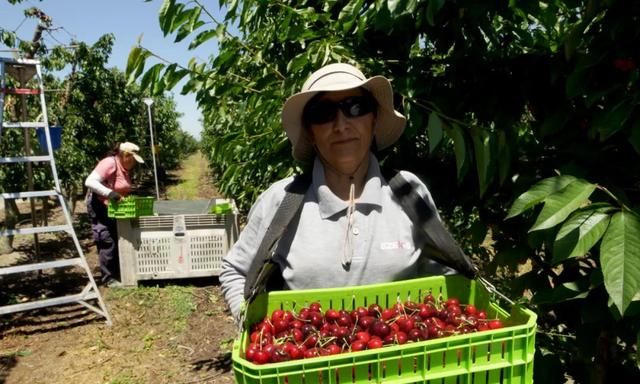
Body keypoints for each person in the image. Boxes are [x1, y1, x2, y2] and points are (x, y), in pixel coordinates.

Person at [219, 63, 454, 322]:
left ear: (374, 119)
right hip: (305, 360)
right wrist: (251, 327)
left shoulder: (408, 192)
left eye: (356, 107)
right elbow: (236, 270)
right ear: (311, 132)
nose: (341, 125)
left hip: (400, 360)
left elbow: (445, 275)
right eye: (323, 113)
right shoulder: (281, 201)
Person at [85, 142, 144, 287]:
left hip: (112, 207)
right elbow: (90, 182)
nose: (133, 163)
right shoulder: (109, 163)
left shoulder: (124, 168)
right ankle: (108, 278)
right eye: (132, 159)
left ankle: (118, 270)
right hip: (100, 205)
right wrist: (112, 194)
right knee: (107, 239)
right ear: (125, 156)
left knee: (117, 235)